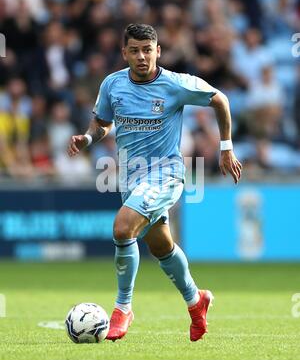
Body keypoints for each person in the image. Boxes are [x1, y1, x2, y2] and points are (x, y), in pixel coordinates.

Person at [67, 23, 242, 342]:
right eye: (134, 50)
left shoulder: (175, 84)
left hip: (166, 174)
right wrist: (89, 137)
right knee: (160, 246)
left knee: (122, 229)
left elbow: (220, 100)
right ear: (124, 53)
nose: (141, 56)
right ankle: (195, 301)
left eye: (147, 50)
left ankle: (122, 309)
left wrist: (226, 148)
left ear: (158, 51)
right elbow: (103, 122)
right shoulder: (112, 84)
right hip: (130, 179)